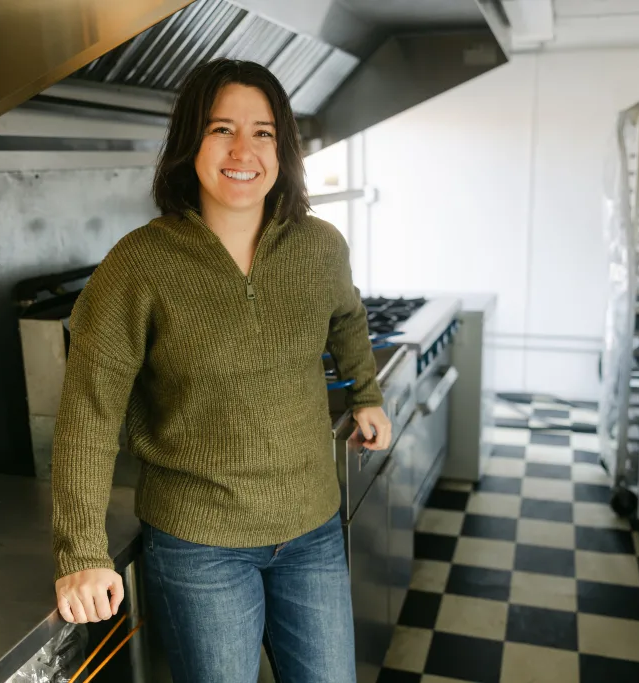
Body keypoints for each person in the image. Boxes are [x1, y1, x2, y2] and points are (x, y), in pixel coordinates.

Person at [50, 58, 391, 683]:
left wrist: (366, 393)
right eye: (220, 130)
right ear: (190, 144)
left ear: (282, 148)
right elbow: (89, 412)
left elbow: (347, 316)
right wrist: (81, 549)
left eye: (262, 132)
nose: (244, 150)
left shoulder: (320, 246)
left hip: (312, 530)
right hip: (198, 547)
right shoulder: (139, 265)